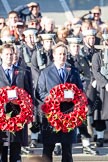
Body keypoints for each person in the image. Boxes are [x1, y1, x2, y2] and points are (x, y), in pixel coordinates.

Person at [36, 42, 83, 162]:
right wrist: (56, 99)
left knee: (67, 150)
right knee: (48, 148)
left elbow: (80, 91)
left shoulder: (73, 71)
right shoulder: (45, 72)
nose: (62, 56)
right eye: (60, 54)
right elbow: (40, 93)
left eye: (64, 54)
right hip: (52, 116)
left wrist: (73, 97)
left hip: (68, 114)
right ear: (54, 55)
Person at [0, 43, 33, 162]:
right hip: (1, 120)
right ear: (1, 55)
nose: (9, 56)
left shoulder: (23, 72)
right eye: (6, 54)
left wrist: (29, 114)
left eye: (11, 54)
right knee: (2, 153)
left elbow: (29, 94)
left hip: (18, 118)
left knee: (16, 153)